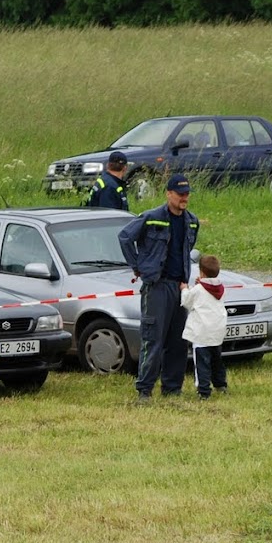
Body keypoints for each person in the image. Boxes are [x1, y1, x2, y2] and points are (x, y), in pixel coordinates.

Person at [117, 173, 199, 403]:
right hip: (156, 287)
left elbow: (188, 246)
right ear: (169, 194)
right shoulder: (152, 218)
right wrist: (138, 266)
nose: (184, 198)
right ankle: (145, 390)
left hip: (179, 289)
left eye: (187, 194)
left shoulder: (192, 220)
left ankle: (172, 389)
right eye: (180, 194)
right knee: (153, 339)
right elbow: (124, 237)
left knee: (178, 341)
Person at [181, 253, 228, 399]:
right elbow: (207, 291)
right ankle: (221, 384)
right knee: (216, 361)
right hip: (217, 331)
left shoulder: (198, 289)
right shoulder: (220, 288)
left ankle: (204, 391)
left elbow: (187, 302)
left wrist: (184, 288)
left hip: (201, 334)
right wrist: (200, 283)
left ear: (201, 272)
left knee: (202, 364)